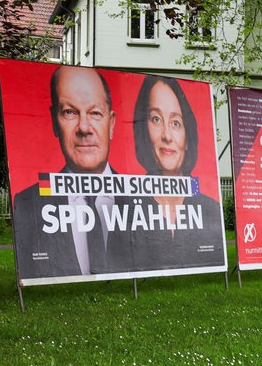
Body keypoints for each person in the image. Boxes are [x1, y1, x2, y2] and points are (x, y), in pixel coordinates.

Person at [13, 66, 132, 279]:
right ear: (54, 121)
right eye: (70, 112)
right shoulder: (28, 203)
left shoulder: (141, 199)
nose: (84, 128)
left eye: (95, 113)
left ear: (111, 124)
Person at [131, 75, 224, 270]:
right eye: (156, 119)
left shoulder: (211, 209)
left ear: (188, 137)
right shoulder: (126, 209)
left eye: (175, 123)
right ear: (143, 131)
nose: (166, 135)